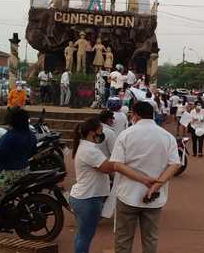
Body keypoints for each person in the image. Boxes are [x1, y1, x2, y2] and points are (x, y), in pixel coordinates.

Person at [110, 101, 182, 253]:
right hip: (154, 198)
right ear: (153, 115)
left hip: (127, 195)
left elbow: (117, 164)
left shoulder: (126, 134)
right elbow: (175, 164)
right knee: (150, 239)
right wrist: (157, 185)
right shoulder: (167, 137)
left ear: (135, 115)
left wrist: (142, 179)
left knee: (123, 239)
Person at [0, 108, 37, 239]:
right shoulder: (29, 134)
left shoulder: (11, 136)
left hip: (8, 173)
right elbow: (32, 150)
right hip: (24, 169)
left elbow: (0, 153)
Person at [70, 117, 114, 253]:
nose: (102, 134)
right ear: (92, 132)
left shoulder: (85, 147)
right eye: (100, 131)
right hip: (89, 198)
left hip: (83, 196)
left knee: (82, 235)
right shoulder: (89, 150)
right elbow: (107, 168)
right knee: (85, 236)